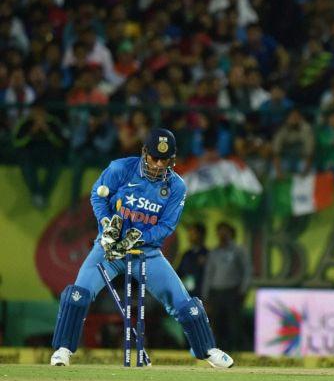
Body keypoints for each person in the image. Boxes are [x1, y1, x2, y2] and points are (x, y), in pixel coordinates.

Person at [49, 128, 234, 368]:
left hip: (146, 253)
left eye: (164, 160)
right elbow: (98, 196)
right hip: (110, 249)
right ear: (144, 152)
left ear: (172, 159)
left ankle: (208, 350)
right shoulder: (120, 169)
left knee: (185, 305)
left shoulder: (176, 186)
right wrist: (107, 223)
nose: (158, 164)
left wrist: (139, 238)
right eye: (154, 157)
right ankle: (63, 350)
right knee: (77, 295)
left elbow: (166, 226)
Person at [202, 222, 251, 350]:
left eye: (225, 231)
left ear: (231, 233)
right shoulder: (214, 252)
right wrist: (205, 296)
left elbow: (247, 271)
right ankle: (217, 351)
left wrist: (243, 290)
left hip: (232, 292)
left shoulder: (238, 250)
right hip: (215, 293)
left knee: (233, 324)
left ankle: (235, 351)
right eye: (220, 231)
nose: (222, 234)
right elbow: (208, 274)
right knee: (216, 324)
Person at [177, 222, 209, 298]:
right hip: (186, 294)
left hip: (201, 295)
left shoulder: (208, 254)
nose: (189, 236)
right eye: (189, 233)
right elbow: (179, 272)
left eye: (193, 233)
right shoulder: (186, 254)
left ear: (201, 235)